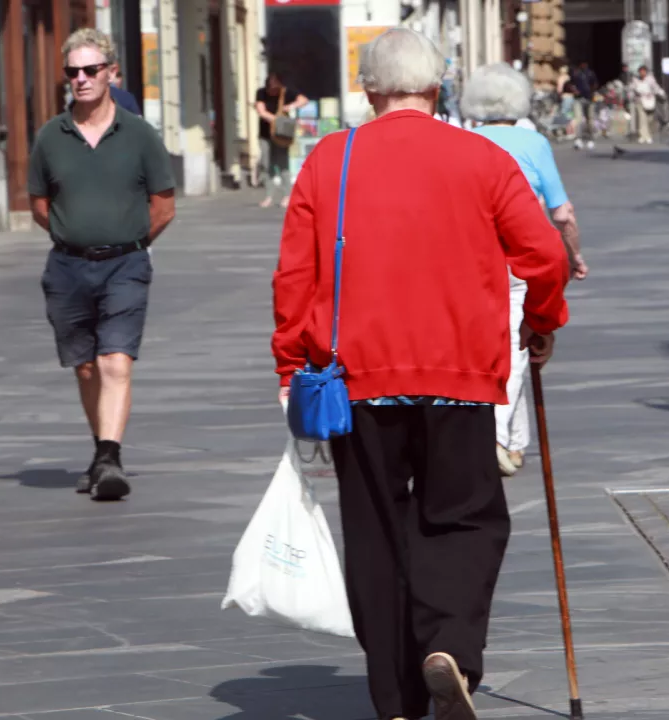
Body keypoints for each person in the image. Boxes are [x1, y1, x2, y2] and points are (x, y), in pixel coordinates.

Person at [273, 29, 569, 720]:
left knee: (376, 532)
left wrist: (291, 362)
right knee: (463, 517)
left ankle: (396, 699)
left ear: (370, 92)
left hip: (356, 376)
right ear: (436, 88)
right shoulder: (482, 158)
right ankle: (450, 647)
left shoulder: (330, 160)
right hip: (459, 371)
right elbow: (544, 256)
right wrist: (542, 322)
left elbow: (294, 275)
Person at [28, 28, 175, 501]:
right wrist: (73, 234)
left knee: (115, 360)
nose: (81, 79)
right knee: (87, 368)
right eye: (73, 71)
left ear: (111, 72)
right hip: (68, 267)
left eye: (91, 70)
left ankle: (110, 457)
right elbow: (38, 203)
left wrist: (128, 241)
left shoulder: (139, 134)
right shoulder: (51, 136)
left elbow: (164, 204)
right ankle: (101, 450)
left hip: (125, 265)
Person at [459, 62, 587, 477]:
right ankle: (493, 436)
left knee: (498, 344)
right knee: (518, 345)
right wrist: (575, 255)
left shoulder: (464, 141)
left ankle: (515, 443)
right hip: (521, 258)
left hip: (473, 260)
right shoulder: (532, 144)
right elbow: (562, 213)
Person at [254, 72, 308, 208]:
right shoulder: (261, 93)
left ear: (279, 84)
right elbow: (261, 110)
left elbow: (303, 100)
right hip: (265, 134)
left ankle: (287, 196)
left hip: (282, 135)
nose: (272, 89)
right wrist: (276, 120)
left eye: (275, 85)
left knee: (282, 164)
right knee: (266, 164)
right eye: (270, 86)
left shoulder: (286, 93)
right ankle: (268, 196)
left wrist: (291, 106)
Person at [629, 65, 665, 144]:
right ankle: (643, 136)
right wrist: (631, 97)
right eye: (640, 71)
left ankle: (649, 134)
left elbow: (656, 88)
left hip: (650, 100)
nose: (642, 73)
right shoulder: (635, 80)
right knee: (642, 118)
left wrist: (661, 93)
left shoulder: (650, 79)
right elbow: (631, 89)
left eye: (643, 71)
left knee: (650, 119)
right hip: (640, 100)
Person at [572, 61, 598, 149]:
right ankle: (578, 138)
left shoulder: (591, 74)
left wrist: (591, 92)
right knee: (578, 119)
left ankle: (590, 138)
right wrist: (574, 90)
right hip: (578, 99)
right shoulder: (576, 74)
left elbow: (595, 84)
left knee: (590, 119)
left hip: (589, 99)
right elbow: (571, 84)